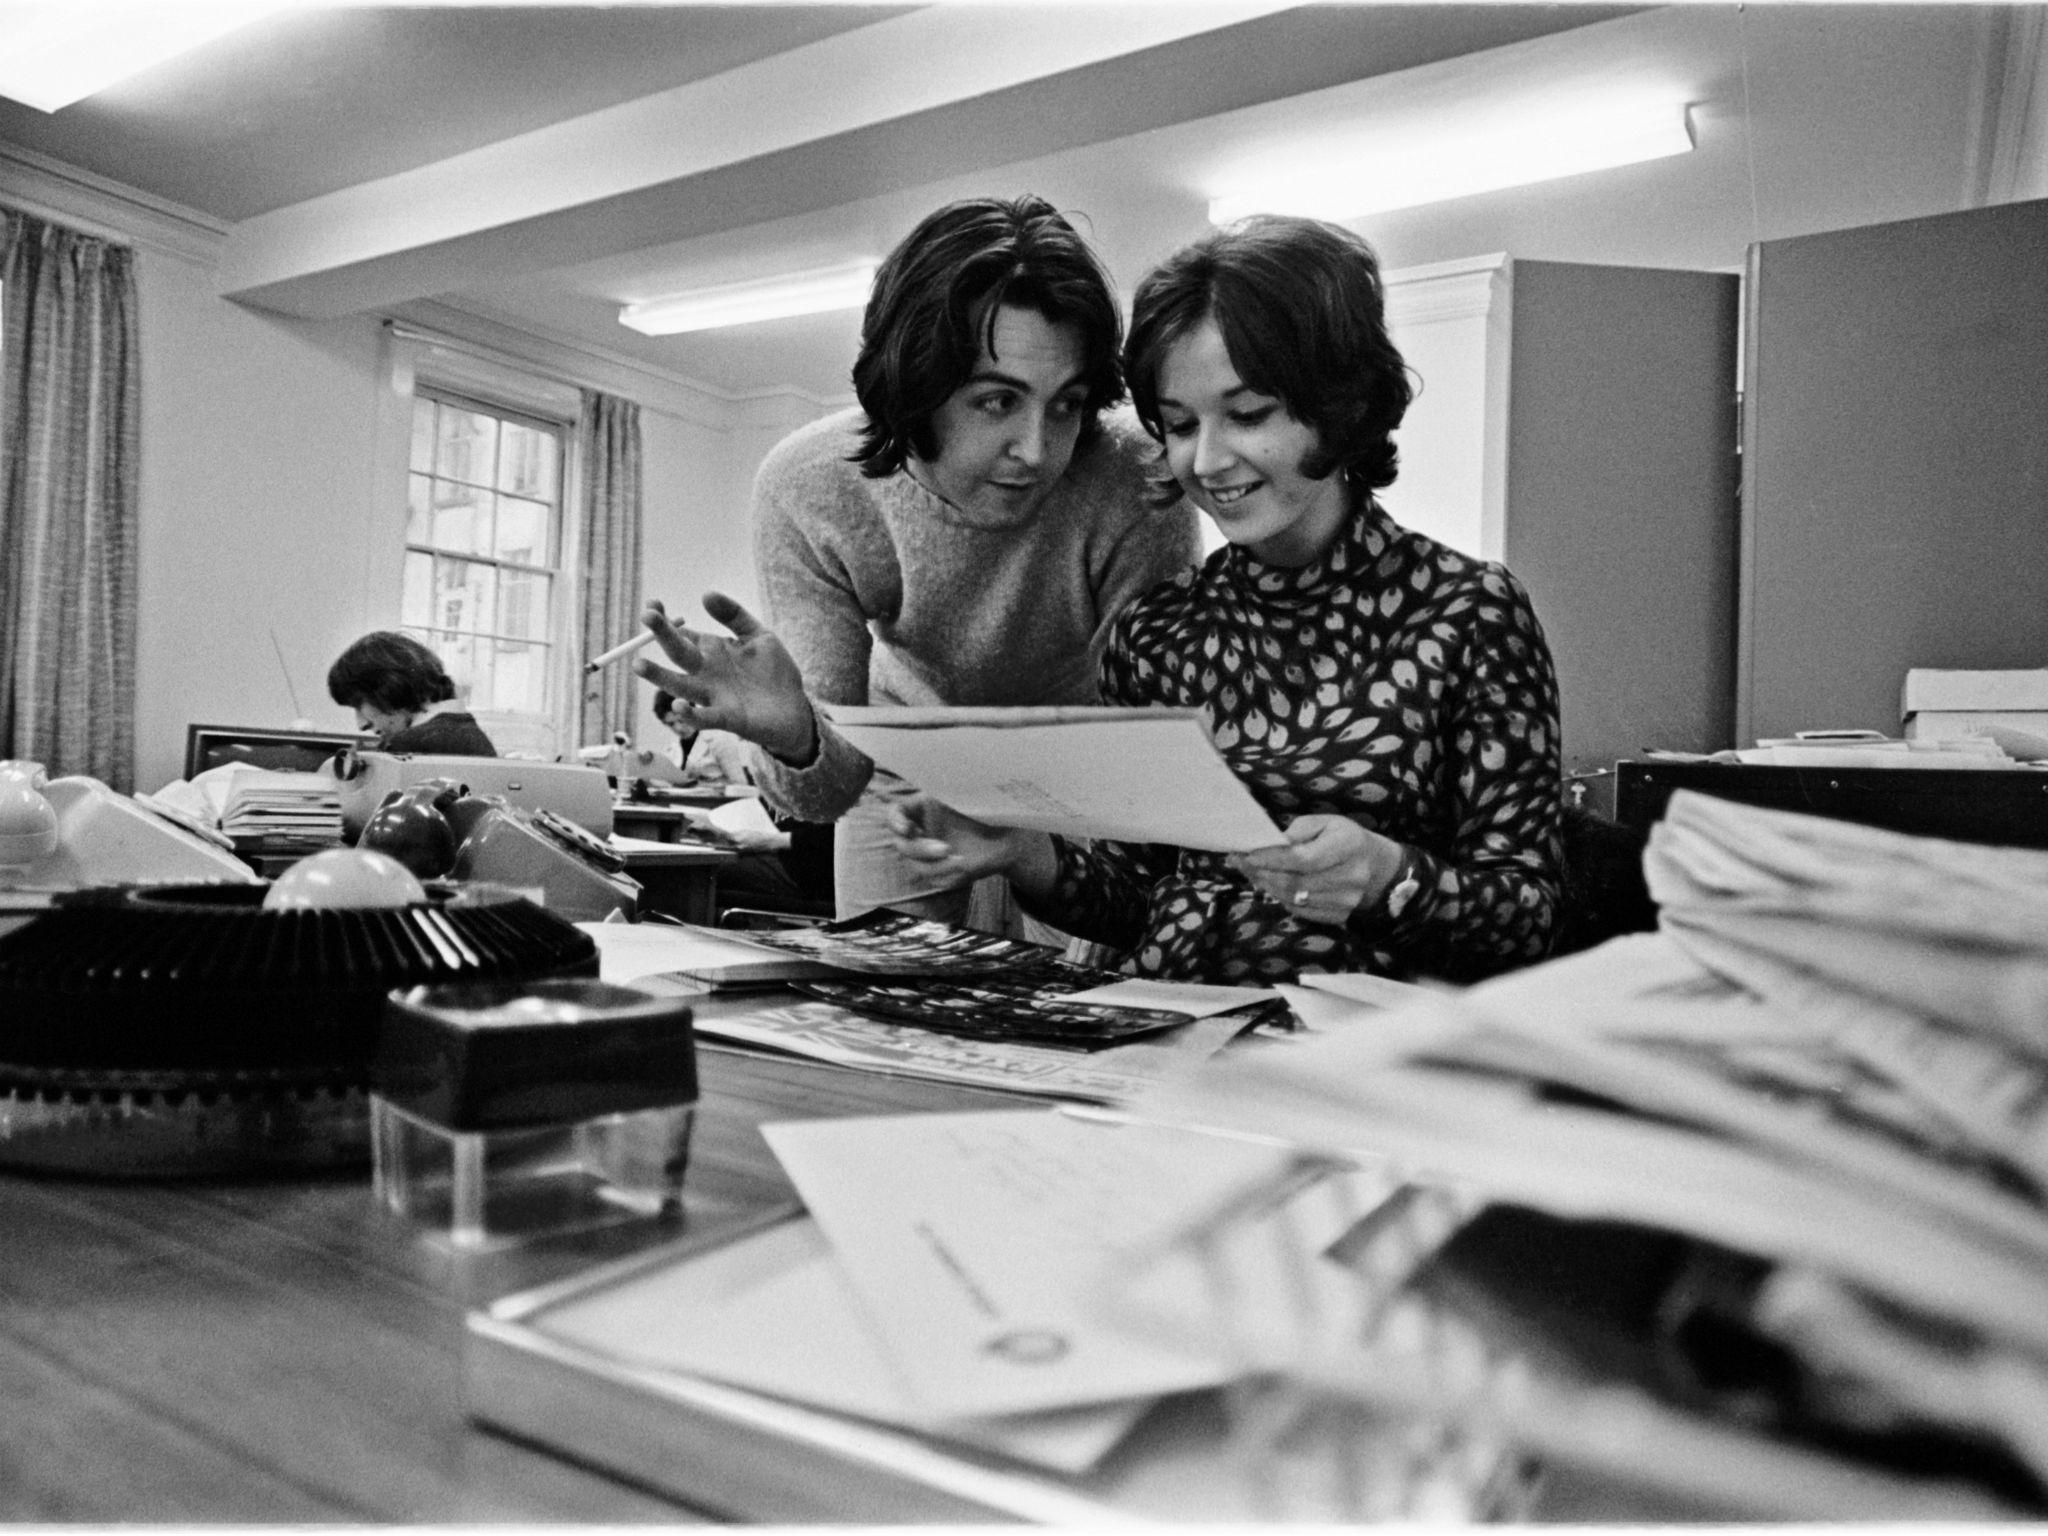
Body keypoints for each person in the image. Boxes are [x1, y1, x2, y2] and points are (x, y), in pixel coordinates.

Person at [881, 215, 1563, 984]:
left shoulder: (1469, 614)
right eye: (1178, 425)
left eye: (1247, 415)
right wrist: (1020, 850)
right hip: (1170, 1030)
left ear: (1337, 402)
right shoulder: (1158, 633)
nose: (1206, 461)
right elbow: (1136, 899)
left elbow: (1529, 917)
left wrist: (1390, 877)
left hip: (1361, 1055)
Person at [635, 195, 1202, 926]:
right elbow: (824, 793)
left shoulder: (1137, 477)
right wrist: (793, 734)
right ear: (915, 389)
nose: (1036, 450)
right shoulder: (809, 485)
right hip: (905, 755)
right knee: (882, 997)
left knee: (1091, 1012)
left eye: (1066, 404)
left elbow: (1147, 761)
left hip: (1082, 762)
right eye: (997, 402)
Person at [326, 631, 497, 756]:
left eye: (358, 705)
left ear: (390, 689)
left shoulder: (408, 744)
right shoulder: (465, 730)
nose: (361, 725)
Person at [651, 688, 754, 784]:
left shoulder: (720, 740)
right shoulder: (671, 750)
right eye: (671, 724)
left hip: (717, 803)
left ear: (692, 712)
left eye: (681, 720)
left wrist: (708, 784)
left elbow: (741, 786)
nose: (679, 728)